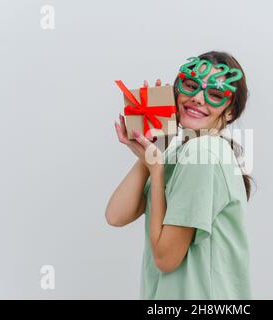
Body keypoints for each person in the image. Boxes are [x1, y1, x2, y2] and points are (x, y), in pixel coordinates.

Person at [106, 51, 254, 299]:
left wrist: (156, 167)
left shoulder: (203, 153)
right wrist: (157, 144)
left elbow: (166, 259)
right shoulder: (184, 151)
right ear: (177, 90)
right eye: (190, 85)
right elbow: (116, 215)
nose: (197, 98)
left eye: (216, 94)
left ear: (230, 112)